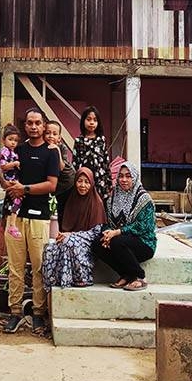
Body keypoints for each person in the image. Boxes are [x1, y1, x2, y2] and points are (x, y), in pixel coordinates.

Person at [1, 107, 59, 334]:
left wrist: (23, 189)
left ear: (44, 126)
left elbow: (52, 185)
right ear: (25, 126)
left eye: (38, 123)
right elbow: (5, 176)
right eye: (30, 123)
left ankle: (38, 314)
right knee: (14, 268)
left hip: (39, 218)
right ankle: (14, 312)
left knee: (38, 268)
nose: (34, 126)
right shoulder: (18, 150)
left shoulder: (51, 152)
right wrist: (7, 182)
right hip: (15, 218)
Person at [92, 162, 156, 292]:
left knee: (117, 241)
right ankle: (127, 275)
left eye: (128, 176)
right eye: (121, 176)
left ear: (134, 177)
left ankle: (140, 276)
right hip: (121, 242)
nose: (124, 180)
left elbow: (144, 227)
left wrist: (117, 232)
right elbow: (108, 222)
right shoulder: (113, 197)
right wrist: (107, 234)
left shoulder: (144, 199)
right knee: (97, 244)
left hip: (143, 243)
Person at [41, 167, 107, 289]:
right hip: (69, 238)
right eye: (79, 181)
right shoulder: (71, 200)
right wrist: (65, 235)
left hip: (88, 243)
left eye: (86, 182)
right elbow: (65, 228)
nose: (82, 185)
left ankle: (81, 278)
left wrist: (72, 235)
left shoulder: (96, 202)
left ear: (92, 183)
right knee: (50, 248)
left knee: (69, 243)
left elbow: (96, 233)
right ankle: (52, 283)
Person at [72, 106, 113, 199]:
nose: (91, 123)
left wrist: (109, 182)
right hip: (84, 181)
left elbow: (105, 162)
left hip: (99, 180)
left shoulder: (101, 140)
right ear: (83, 121)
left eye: (95, 120)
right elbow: (75, 163)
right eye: (88, 119)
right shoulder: (79, 141)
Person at [44, 120, 75, 223]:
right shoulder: (43, 148)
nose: (51, 136)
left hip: (68, 183)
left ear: (59, 138)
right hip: (56, 187)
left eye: (54, 134)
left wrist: (56, 150)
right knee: (58, 212)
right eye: (48, 133)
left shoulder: (61, 147)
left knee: (67, 212)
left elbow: (61, 167)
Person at [0, 124, 22, 239]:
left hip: (13, 178)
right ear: (4, 140)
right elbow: (3, 166)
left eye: (15, 140)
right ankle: (12, 225)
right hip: (10, 179)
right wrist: (15, 164)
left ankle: (2, 224)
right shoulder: (5, 151)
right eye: (10, 139)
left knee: (8, 201)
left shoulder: (13, 151)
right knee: (18, 199)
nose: (13, 142)